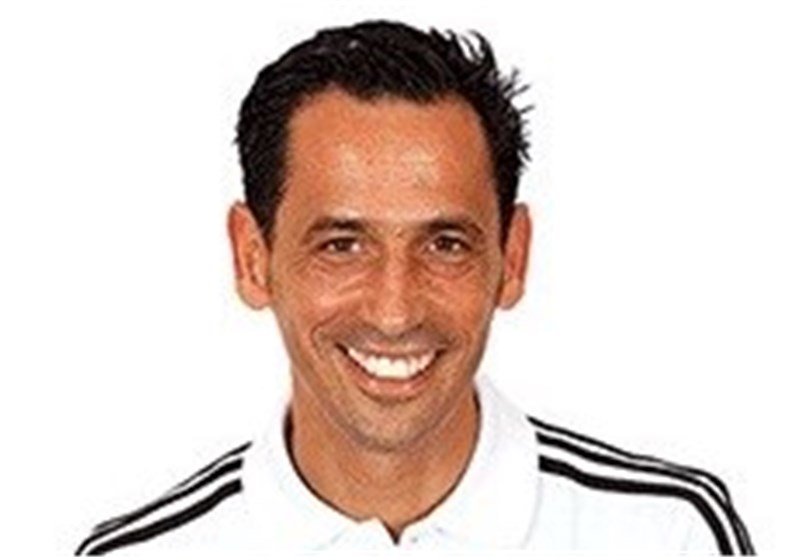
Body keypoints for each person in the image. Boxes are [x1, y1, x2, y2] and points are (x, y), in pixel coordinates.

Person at [75, 20, 754, 555]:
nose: (394, 311)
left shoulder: (671, 536)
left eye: (445, 244)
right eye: (342, 245)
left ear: (512, 258)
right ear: (253, 259)